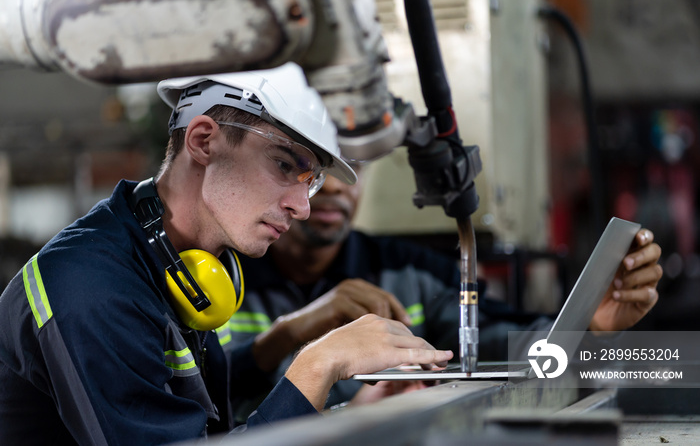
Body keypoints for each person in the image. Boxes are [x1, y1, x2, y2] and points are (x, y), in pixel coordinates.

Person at [0, 63, 454, 445]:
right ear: (202, 142)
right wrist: (319, 365)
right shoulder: (92, 289)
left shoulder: (177, 262)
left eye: (310, 180)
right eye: (284, 164)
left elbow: (208, 432)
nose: (304, 206)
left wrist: (345, 406)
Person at [222, 166, 663, 417]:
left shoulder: (412, 271)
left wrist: (591, 329)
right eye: (315, 165)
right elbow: (199, 400)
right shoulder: (218, 276)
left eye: (351, 166)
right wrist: (286, 336)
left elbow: (499, 338)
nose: (336, 185)